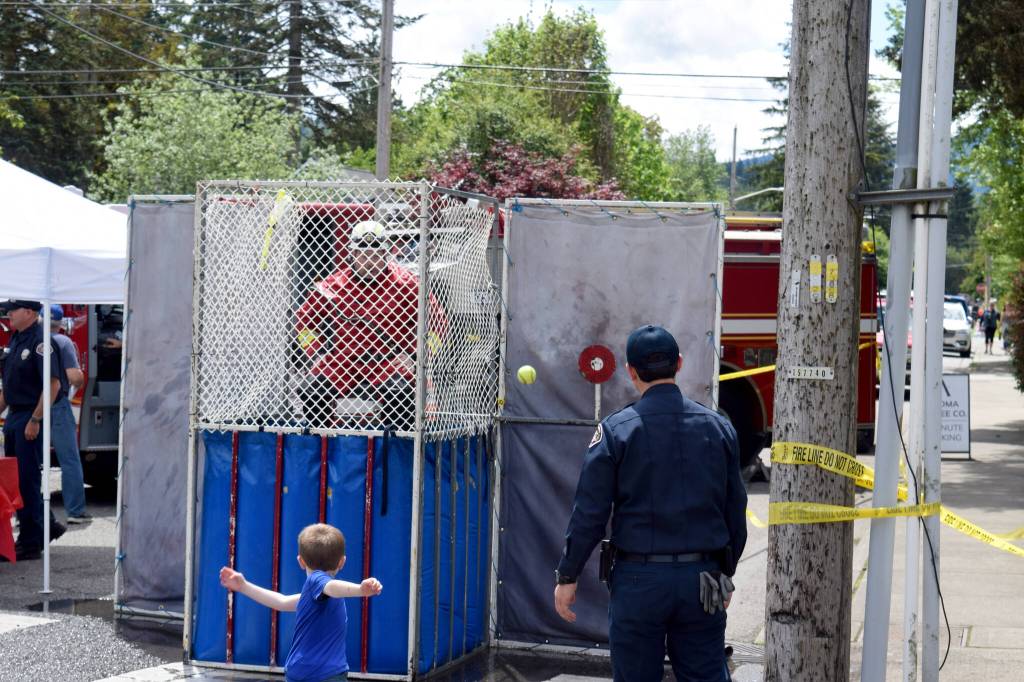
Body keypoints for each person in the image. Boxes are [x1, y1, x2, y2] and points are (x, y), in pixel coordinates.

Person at [553, 325, 747, 682]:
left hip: (639, 581)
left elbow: (590, 514)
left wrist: (568, 574)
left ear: (631, 371)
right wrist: (725, 573)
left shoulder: (617, 430)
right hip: (703, 579)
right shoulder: (718, 427)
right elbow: (735, 510)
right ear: (680, 364)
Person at [294, 220, 447, 430]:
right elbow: (304, 322)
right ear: (352, 255)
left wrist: (415, 357)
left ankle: (396, 447)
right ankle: (324, 440)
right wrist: (316, 352)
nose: (369, 262)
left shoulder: (408, 284)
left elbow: (438, 324)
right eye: (363, 255)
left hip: (390, 362)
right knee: (312, 391)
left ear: (386, 254)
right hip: (343, 361)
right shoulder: (333, 286)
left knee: (400, 395)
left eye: (375, 255)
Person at [219, 523, 383, 682]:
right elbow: (331, 586)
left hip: (300, 671)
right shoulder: (317, 581)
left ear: (301, 561)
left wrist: (244, 586)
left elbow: (282, 602)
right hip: (326, 674)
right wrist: (361, 590)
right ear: (342, 562)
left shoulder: (313, 593)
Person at [0, 300, 67, 561]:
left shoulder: (42, 342)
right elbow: (8, 388)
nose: (8, 314)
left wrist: (36, 419)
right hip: (15, 415)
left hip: (31, 415)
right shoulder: (16, 339)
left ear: (29, 312)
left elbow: (52, 385)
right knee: (15, 480)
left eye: (12, 310)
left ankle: (30, 541)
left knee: (27, 480)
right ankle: (42, 529)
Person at [48, 305, 90, 523]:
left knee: (28, 461)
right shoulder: (63, 342)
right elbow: (75, 377)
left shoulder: (27, 340)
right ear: (60, 322)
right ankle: (75, 511)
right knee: (69, 459)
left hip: (29, 408)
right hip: (56, 405)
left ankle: (24, 513)